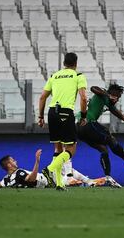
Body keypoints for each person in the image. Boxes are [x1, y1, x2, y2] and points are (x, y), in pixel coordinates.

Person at [76, 83, 124, 188]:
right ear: (111, 94)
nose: (117, 100)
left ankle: (108, 177)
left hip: (79, 129)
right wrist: (107, 95)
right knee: (109, 137)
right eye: (117, 97)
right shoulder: (102, 94)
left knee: (103, 149)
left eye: (118, 98)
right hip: (87, 123)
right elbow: (93, 88)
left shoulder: (109, 104)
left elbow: (123, 116)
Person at [38, 52, 88, 190]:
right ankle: (49, 169)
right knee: (71, 148)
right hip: (66, 112)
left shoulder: (54, 76)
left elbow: (42, 97)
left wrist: (41, 117)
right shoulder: (78, 76)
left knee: (58, 148)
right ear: (76, 64)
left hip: (52, 112)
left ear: (64, 63)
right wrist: (84, 116)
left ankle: (59, 184)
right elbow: (83, 98)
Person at [0, 150, 102, 188]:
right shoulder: (19, 173)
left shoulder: (6, 180)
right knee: (64, 157)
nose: (15, 161)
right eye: (13, 160)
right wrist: (37, 161)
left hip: (47, 182)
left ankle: (86, 182)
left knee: (67, 168)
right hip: (47, 179)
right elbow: (31, 178)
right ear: (9, 165)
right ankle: (84, 182)